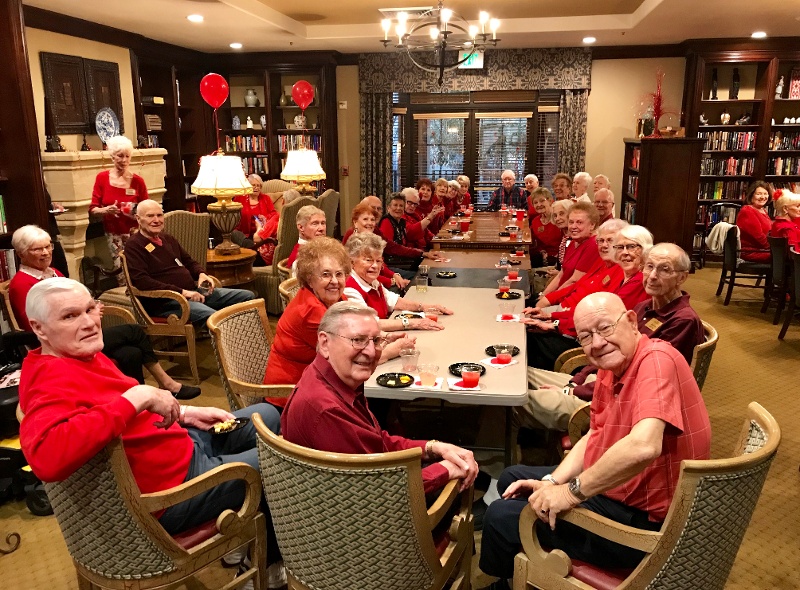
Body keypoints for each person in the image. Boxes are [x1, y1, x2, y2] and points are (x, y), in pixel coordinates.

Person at [17, 278, 286, 587]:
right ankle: (263, 566)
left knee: (265, 414)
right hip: (169, 495)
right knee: (280, 464)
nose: (90, 322)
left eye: (90, 309)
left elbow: (120, 412)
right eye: (70, 316)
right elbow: (46, 459)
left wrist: (186, 414)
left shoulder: (80, 355)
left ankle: (240, 538)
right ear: (39, 329)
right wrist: (136, 397)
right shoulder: (49, 382)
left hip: (179, 446)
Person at [479, 292, 712, 584]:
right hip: (620, 492)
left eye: (605, 328)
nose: (598, 343)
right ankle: (523, 573)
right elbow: (595, 433)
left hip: (642, 523)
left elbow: (644, 445)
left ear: (630, 321)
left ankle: (508, 580)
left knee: (500, 517)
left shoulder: (656, 359)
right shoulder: (611, 366)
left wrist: (569, 492)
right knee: (511, 478)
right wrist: (553, 482)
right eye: (586, 336)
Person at [281, 301, 479, 495]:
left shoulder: (332, 380)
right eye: (357, 340)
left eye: (375, 341)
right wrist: (445, 470)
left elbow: (376, 442)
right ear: (325, 342)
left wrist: (432, 447)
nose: (370, 351)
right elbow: (377, 492)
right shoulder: (328, 410)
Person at [520, 243, 703, 433]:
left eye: (664, 270)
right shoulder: (643, 307)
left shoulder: (683, 321)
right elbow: (609, 350)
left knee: (515, 402)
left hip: (617, 403)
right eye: (649, 266)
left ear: (682, 277)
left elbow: (635, 380)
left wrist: (572, 390)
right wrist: (578, 378)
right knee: (522, 375)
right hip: (598, 381)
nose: (653, 275)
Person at [8, 225, 201, 400]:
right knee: (134, 331)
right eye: (37, 249)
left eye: (48, 246)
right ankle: (167, 384)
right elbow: (34, 327)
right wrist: (84, 317)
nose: (46, 252)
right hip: (61, 343)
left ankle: (138, 403)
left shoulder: (55, 272)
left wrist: (90, 309)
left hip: (80, 333)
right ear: (22, 254)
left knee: (131, 353)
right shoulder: (21, 284)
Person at [263, 237, 412, 407]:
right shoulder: (311, 311)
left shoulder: (335, 298)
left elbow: (356, 329)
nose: (334, 281)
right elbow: (346, 362)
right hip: (293, 395)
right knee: (378, 401)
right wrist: (392, 351)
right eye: (326, 274)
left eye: (339, 274)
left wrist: (382, 337)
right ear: (310, 278)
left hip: (320, 383)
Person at [524, 223, 650, 370]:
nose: (625, 252)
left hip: (596, 345)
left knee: (529, 341)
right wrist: (552, 317)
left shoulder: (638, 280)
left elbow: (599, 319)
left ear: (646, 250)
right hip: (585, 332)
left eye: (632, 247)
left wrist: (555, 324)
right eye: (620, 247)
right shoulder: (624, 275)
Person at [124, 200, 254, 326]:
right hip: (167, 302)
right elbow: (142, 281)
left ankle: (245, 340)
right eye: (150, 216)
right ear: (138, 218)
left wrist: (202, 274)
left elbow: (189, 262)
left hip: (193, 292)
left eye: (159, 215)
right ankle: (228, 344)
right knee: (214, 317)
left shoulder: (167, 238)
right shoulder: (134, 245)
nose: (156, 220)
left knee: (247, 297)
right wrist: (182, 292)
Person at [343, 233, 452, 331]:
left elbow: (393, 300)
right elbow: (370, 324)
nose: (375, 266)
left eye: (378, 260)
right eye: (368, 260)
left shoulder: (371, 281)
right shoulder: (349, 288)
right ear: (352, 262)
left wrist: (426, 307)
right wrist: (413, 323)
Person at [89, 135, 149, 275]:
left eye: (127, 156)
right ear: (112, 156)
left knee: (138, 267)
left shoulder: (138, 181)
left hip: (135, 233)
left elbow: (147, 208)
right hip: (113, 233)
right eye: (120, 156)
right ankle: (123, 295)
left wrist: (134, 211)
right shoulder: (102, 178)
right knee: (120, 270)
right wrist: (106, 210)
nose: (124, 160)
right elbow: (93, 209)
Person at [541, 202, 601, 297]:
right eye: (571, 222)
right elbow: (561, 274)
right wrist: (543, 296)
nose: (573, 226)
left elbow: (574, 281)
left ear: (592, 225)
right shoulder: (574, 241)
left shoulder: (593, 244)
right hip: (560, 295)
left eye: (579, 222)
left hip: (572, 300)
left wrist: (549, 300)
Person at [343, 203, 408, 291]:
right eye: (365, 219)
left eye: (372, 220)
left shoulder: (372, 235)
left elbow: (380, 264)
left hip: (376, 279)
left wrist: (394, 275)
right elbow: (363, 274)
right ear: (355, 222)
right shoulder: (352, 240)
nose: (370, 223)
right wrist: (391, 281)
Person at [377, 194, 446, 268]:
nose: (398, 208)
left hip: (405, 259)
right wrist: (422, 253)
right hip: (393, 264)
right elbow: (391, 249)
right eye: (395, 205)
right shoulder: (386, 222)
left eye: (401, 206)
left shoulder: (402, 221)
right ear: (388, 208)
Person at [233, 173, 280, 266]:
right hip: (244, 234)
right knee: (234, 234)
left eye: (258, 186)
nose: (256, 188)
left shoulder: (266, 198)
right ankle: (252, 248)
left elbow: (274, 214)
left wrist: (264, 218)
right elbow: (233, 214)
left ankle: (255, 252)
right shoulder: (239, 198)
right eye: (253, 185)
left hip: (261, 235)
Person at [736, 181, 772, 262]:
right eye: (759, 194)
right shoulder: (747, 211)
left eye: (765, 194)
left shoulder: (762, 210)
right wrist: (774, 248)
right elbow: (759, 236)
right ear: (751, 195)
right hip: (751, 252)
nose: (763, 197)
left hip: (762, 249)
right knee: (785, 256)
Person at [528, 188, 562, 267]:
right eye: (535, 202)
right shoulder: (535, 222)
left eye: (542, 201)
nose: (539, 205)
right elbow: (534, 242)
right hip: (544, 259)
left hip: (560, 260)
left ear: (550, 201)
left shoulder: (558, 219)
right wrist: (542, 251)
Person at [286, 204, 326, 272]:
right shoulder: (300, 258)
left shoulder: (321, 247)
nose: (321, 228)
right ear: (301, 227)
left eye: (323, 223)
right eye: (315, 224)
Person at [402, 186, 441, 250]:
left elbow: (428, 233)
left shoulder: (415, 216)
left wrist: (439, 240)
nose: (412, 206)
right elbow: (411, 232)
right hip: (414, 255)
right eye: (409, 203)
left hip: (424, 250)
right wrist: (429, 217)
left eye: (415, 204)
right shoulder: (401, 216)